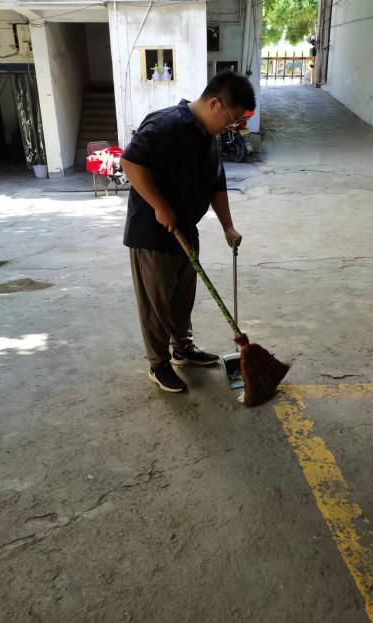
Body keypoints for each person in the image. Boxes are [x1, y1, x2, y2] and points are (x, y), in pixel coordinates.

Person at [120, 72, 256, 393]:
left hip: (186, 229)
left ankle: (182, 349)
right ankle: (158, 364)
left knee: (183, 297)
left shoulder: (210, 137)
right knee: (157, 303)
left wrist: (227, 226)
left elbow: (217, 183)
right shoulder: (167, 125)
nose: (231, 127)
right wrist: (159, 205)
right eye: (232, 119)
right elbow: (131, 162)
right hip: (153, 233)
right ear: (214, 104)